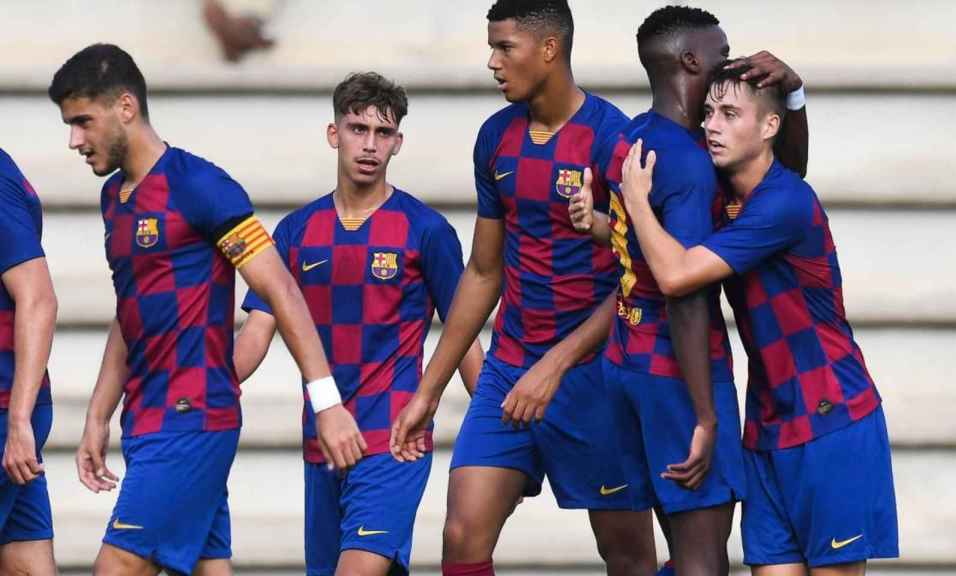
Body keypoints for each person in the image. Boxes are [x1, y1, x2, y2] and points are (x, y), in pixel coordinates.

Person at [49, 43, 364, 575]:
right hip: (147, 421)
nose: (74, 140)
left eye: (83, 121)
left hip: (192, 417)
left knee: (118, 566)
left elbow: (282, 290)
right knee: (209, 568)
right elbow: (131, 311)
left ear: (125, 107)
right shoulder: (114, 200)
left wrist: (326, 401)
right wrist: (98, 414)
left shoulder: (199, 186)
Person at [390, 1, 657, 574]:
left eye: (504, 47)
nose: (492, 62)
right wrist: (429, 391)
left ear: (549, 49)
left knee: (629, 555)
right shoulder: (495, 138)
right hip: (511, 367)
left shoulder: (612, 139)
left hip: (595, 375)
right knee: (461, 536)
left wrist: (557, 365)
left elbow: (642, 279)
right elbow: (485, 272)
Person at [616, 60, 899, 576]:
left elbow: (678, 275)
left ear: (769, 127)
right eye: (707, 112)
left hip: (831, 419)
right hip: (766, 427)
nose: (711, 126)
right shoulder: (727, 197)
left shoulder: (786, 203)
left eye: (729, 114)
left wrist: (637, 202)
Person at [569, 7, 810, 574]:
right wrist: (705, 415)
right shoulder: (693, 163)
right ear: (691, 60)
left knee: (673, 554)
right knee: (702, 560)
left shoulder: (626, 137)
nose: (731, 63)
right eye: (722, 54)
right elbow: (685, 293)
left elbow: (628, 237)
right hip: (677, 376)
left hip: (625, 365)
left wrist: (598, 221)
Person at [234, 71, 483, 576]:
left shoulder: (426, 230)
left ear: (398, 144)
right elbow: (256, 333)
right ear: (334, 134)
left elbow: (465, 339)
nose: (369, 145)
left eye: (383, 133)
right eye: (357, 129)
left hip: (395, 438)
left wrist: (498, 440)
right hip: (323, 441)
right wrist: (204, 381)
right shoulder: (296, 231)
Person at [0, 149, 58, 575]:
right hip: (15, 411)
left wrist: (18, 422)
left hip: (5, 410)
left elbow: (37, 297)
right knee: (25, 561)